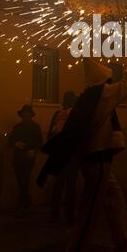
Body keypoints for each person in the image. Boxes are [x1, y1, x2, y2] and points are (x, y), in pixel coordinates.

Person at [37, 58, 127, 252]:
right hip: (98, 158)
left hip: (95, 158)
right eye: (108, 79)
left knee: (115, 204)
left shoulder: (88, 97)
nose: (111, 82)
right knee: (89, 213)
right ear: (102, 80)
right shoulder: (102, 93)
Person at [49, 91, 78, 224]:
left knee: (58, 185)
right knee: (70, 186)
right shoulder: (76, 115)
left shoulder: (57, 114)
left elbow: (50, 134)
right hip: (71, 155)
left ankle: (54, 216)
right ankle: (69, 217)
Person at [9, 105, 43, 214]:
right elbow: (10, 141)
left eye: (27, 113)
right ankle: (26, 200)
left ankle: (22, 205)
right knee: (21, 182)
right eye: (24, 113)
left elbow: (40, 142)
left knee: (24, 182)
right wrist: (16, 144)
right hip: (18, 158)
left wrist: (34, 150)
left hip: (28, 159)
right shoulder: (17, 127)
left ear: (30, 115)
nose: (25, 115)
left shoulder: (35, 127)